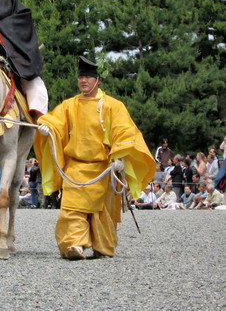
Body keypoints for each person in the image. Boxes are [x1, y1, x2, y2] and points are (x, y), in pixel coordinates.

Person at [35, 56, 156, 260]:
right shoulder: (70, 105)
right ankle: (74, 244)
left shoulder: (112, 106)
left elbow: (124, 131)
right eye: (81, 77)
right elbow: (55, 121)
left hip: (103, 168)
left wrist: (120, 156)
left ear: (98, 80)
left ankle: (102, 247)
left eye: (89, 77)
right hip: (75, 167)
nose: (84, 81)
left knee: (103, 213)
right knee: (72, 209)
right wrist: (48, 128)